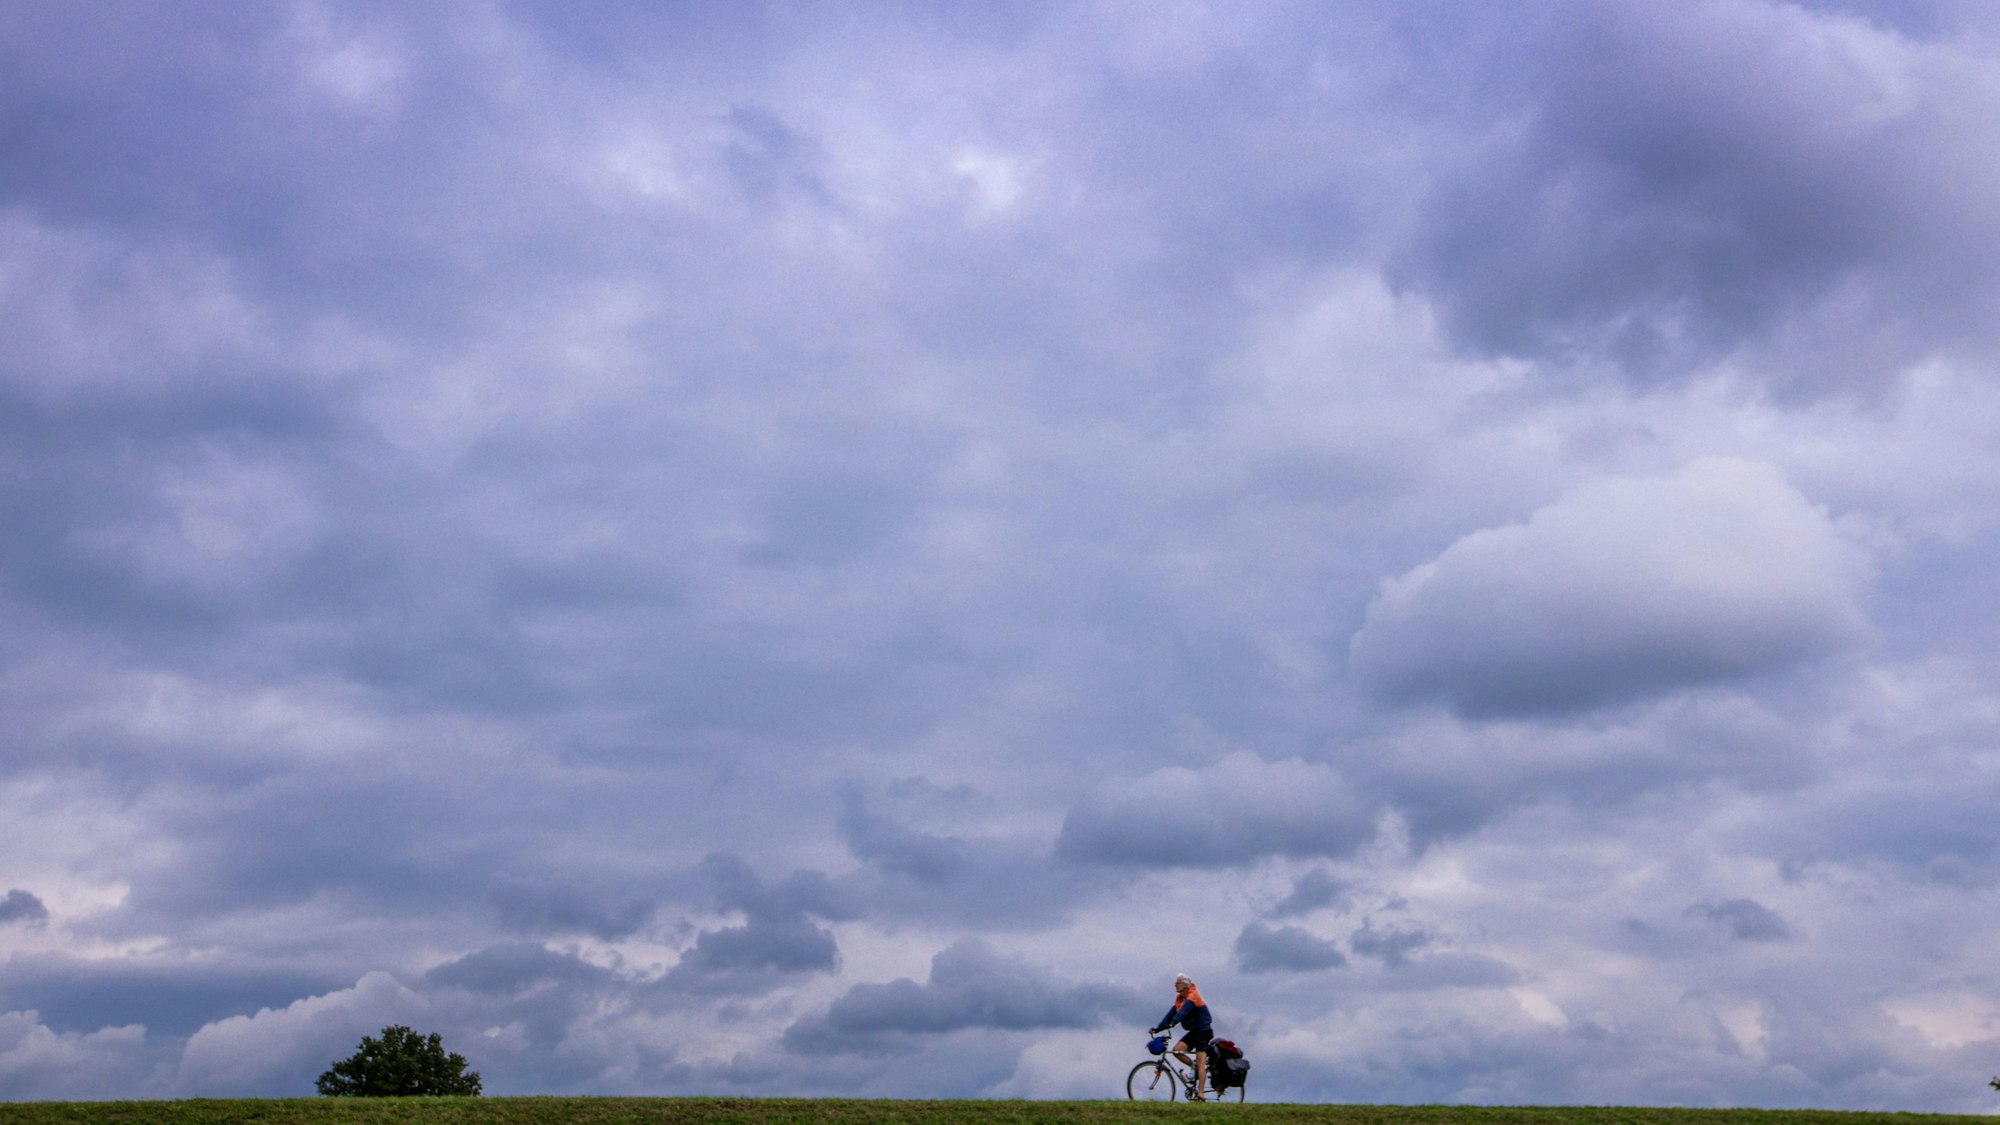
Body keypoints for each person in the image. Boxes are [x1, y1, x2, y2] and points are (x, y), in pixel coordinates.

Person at [1150, 972, 1214, 1100]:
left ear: (1185, 985)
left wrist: (1173, 1023)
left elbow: (1183, 1013)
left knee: (1201, 1062)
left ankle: (1200, 1094)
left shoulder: (1192, 996)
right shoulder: (1180, 998)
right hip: (1194, 1032)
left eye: (1177, 983)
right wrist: (1158, 1028)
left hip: (1203, 1031)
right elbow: (1170, 1014)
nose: (1175, 985)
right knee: (1177, 1050)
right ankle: (1193, 1067)